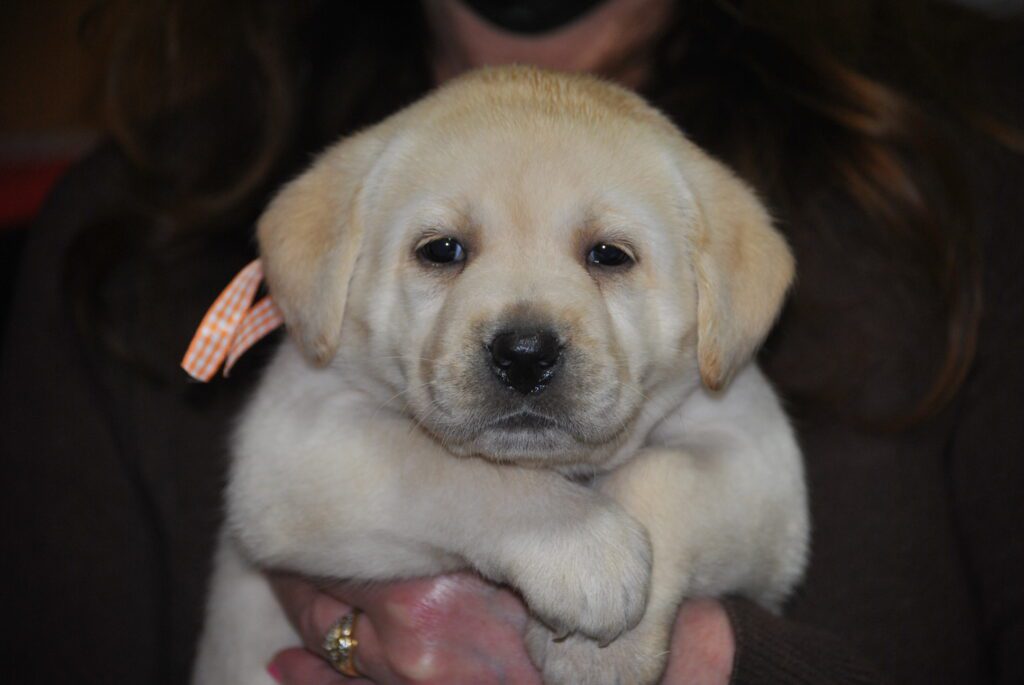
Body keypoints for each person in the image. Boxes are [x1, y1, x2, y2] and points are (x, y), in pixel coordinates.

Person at [2, 1, 1021, 683]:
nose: (525, 334)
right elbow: (288, 492)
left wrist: (675, 642)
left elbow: (755, 496)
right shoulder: (135, 213)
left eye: (608, 255)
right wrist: (524, 523)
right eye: (443, 249)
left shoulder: (963, 177)